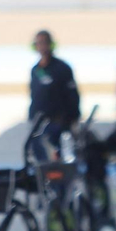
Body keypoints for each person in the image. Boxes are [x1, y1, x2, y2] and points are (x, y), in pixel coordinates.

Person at [28, 30, 80, 158]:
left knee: (60, 157)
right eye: (39, 43)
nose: (42, 47)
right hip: (39, 124)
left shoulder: (62, 68)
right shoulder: (35, 70)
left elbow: (73, 95)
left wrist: (72, 118)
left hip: (59, 123)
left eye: (45, 43)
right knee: (39, 157)